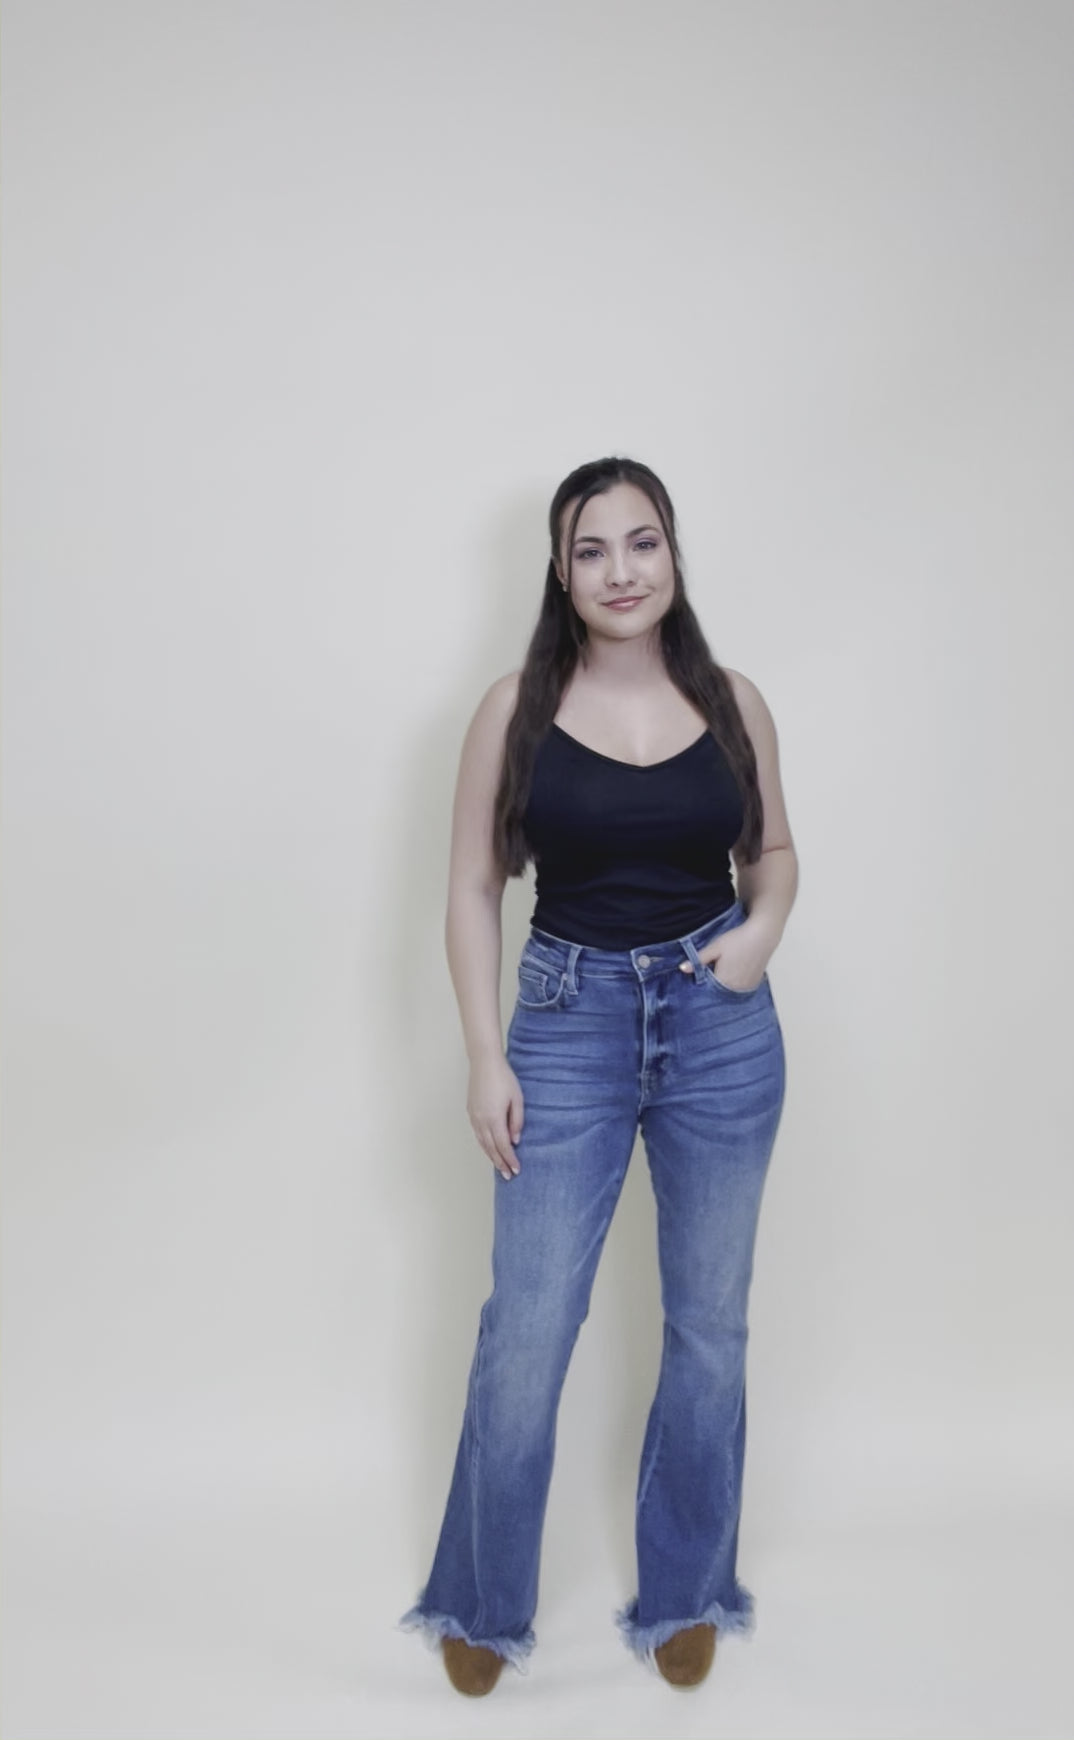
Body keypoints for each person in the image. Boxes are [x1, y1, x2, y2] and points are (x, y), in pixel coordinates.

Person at [401, 456, 797, 1695]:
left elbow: (774, 854)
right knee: (527, 1327)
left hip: (718, 1023)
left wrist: (760, 936)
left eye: (642, 542)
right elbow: (472, 885)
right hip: (567, 1022)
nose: (621, 571)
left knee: (710, 1325)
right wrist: (485, 1052)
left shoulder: (733, 700)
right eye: (591, 549)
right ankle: (482, 1602)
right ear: (560, 572)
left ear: (672, 553)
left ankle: (688, 1588)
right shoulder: (513, 707)